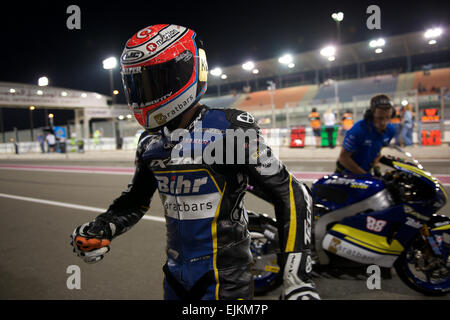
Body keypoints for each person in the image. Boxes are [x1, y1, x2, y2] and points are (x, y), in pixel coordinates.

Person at [70, 24, 319, 301]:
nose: (143, 93)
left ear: (184, 74)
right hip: (175, 280)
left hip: (225, 284)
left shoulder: (229, 127)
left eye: (153, 81)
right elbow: (135, 201)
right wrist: (103, 227)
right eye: (137, 84)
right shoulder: (149, 143)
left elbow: (294, 194)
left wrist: (296, 280)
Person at [336, 94, 395, 175]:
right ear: (371, 115)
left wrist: (376, 166)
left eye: (388, 117)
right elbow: (343, 158)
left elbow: (377, 151)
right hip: (345, 174)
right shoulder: (358, 130)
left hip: (365, 171)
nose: (383, 123)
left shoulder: (390, 130)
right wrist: (365, 175)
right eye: (379, 118)